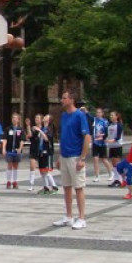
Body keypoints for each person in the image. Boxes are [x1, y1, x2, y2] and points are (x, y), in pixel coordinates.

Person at [53, 90, 92, 230]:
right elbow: (63, 137)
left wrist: (82, 158)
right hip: (65, 156)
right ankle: (68, 216)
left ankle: (81, 218)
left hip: (75, 157)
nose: (61, 100)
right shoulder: (63, 116)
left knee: (79, 187)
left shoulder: (79, 116)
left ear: (71, 100)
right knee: (66, 187)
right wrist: (59, 156)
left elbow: (87, 137)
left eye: (64, 98)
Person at [38, 114, 58, 194]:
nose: (44, 118)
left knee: (47, 171)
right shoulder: (43, 128)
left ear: (48, 120)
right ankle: (46, 187)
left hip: (48, 152)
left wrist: (39, 131)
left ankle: (54, 186)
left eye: (46, 117)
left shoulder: (49, 130)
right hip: (41, 152)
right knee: (42, 170)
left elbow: (46, 139)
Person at [91, 107, 112, 182]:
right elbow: (89, 117)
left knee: (104, 159)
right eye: (97, 112)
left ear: (102, 113)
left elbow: (107, 132)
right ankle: (97, 176)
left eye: (99, 112)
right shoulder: (94, 120)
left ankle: (110, 173)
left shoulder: (105, 122)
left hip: (102, 143)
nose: (98, 114)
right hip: (95, 142)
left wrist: (102, 137)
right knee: (95, 159)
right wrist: (86, 112)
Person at [4, 113, 23, 189]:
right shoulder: (8, 129)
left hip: (17, 150)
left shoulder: (20, 129)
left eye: (15, 118)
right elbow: (5, 139)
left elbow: (22, 140)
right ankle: (8, 181)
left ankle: (15, 181)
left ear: (18, 120)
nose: (14, 119)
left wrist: (20, 148)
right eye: (13, 118)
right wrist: (3, 148)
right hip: (9, 150)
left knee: (15, 166)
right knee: (9, 165)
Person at [106, 111, 124, 187]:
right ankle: (116, 179)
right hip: (112, 147)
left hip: (117, 146)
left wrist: (112, 140)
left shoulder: (119, 125)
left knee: (117, 164)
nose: (111, 116)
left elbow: (118, 137)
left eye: (112, 115)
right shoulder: (109, 126)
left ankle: (121, 180)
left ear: (116, 116)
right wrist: (102, 137)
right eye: (110, 115)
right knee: (113, 164)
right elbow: (107, 135)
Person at [27, 113, 43, 191]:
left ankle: (46, 184)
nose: (36, 119)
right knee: (32, 166)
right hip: (33, 148)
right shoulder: (33, 128)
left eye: (38, 118)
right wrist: (28, 126)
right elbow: (30, 135)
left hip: (42, 149)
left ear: (41, 120)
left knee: (43, 168)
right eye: (35, 118)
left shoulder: (44, 128)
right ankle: (31, 184)